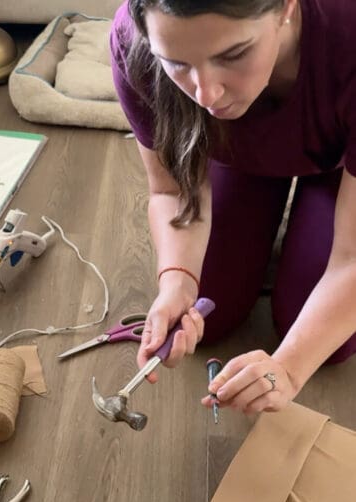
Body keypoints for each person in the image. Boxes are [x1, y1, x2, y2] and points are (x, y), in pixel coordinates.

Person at [110, 0, 356, 415]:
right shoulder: (133, 41)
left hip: (341, 155)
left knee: (326, 340)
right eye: (176, 63)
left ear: (286, 8)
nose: (207, 94)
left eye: (234, 54)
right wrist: (176, 281)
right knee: (208, 310)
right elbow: (171, 190)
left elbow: (352, 259)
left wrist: (290, 368)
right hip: (239, 153)